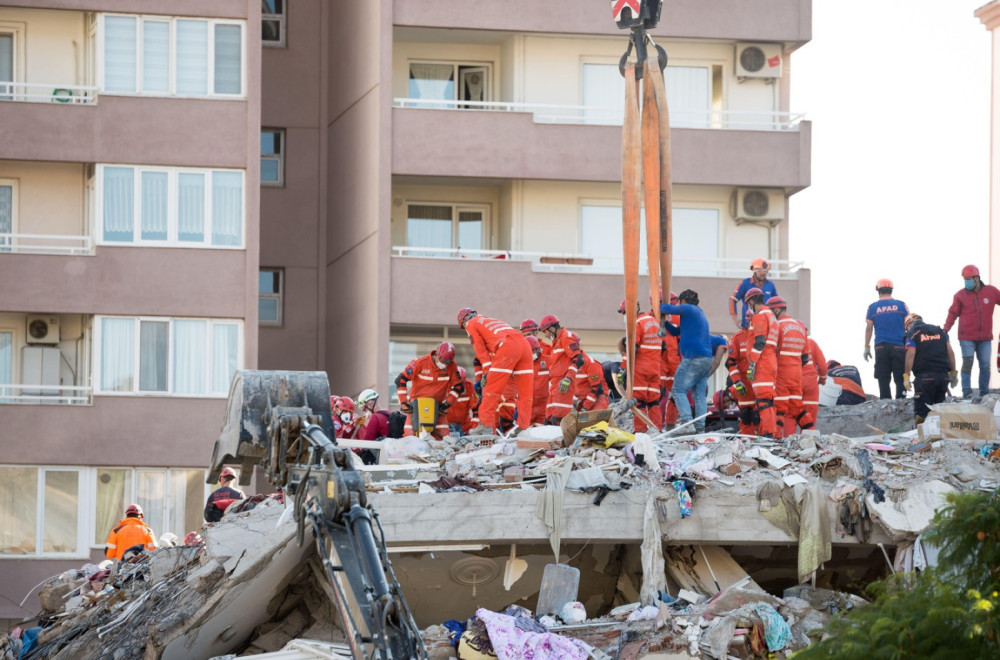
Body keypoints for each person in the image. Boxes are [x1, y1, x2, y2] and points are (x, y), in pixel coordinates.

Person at [459, 309, 534, 434]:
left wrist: (487, 371)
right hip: (524, 345)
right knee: (525, 392)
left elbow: (479, 348)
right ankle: (523, 427)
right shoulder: (490, 320)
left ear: (464, 321)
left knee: (491, 388)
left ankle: (486, 425)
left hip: (508, 345)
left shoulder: (470, 323)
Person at [942, 264, 1000, 398]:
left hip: (985, 338)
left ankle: (984, 392)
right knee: (967, 364)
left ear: (977, 278)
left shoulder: (991, 292)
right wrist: (946, 329)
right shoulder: (960, 296)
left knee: (985, 365)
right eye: (965, 279)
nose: (966, 282)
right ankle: (967, 392)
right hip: (966, 337)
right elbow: (952, 313)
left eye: (968, 279)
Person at [660, 290, 713, 432]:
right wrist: (664, 322)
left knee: (678, 390)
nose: (678, 304)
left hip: (693, 357)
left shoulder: (689, 308)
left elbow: (665, 308)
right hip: (706, 359)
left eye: (680, 302)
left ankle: (687, 423)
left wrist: (658, 305)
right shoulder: (698, 314)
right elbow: (676, 332)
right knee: (699, 395)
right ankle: (700, 426)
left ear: (684, 301)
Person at [394, 341, 462, 438]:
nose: (444, 364)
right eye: (442, 360)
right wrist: (404, 402)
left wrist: (447, 404)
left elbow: (458, 387)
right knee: (410, 437)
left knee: (444, 438)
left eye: (447, 362)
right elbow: (400, 380)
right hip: (416, 407)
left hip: (437, 407)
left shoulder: (452, 366)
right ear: (437, 354)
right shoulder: (419, 363)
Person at [769, 296, 815, 437]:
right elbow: (805, 358)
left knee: (779, 408)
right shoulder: (801, 327)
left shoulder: (777, 326)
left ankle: (776, 440)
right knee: (797, 407)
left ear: (777, 309)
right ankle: (811, 435)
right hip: (797, 374)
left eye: (770, 311)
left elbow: (771, 351)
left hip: (782, 372)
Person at [904, 313, 958, 423]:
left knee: (921, 414)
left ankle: (920, 433)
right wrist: (953, 372)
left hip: (924, 378)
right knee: (939, 412)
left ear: (909, 325)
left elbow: (910, 354)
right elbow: (950, 352)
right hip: (943, 377)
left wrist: (906, 375)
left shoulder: (912, 333)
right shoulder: (940, 332)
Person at [619, 299, 664, 432]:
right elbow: (663, 347)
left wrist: (623, 368)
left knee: (639, 401)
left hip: (641, 369)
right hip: (655, 369)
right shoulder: (654, 322)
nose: (624, 316)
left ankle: (641, 431)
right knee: (653, 402)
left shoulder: (637, 323)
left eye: (624, 313)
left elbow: (632, 349)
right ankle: (656, 431)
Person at [864, 278, 909, 399]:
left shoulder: (873, 307)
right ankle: (901, 400)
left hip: (881, 346)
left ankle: (885, 400)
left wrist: (867, 346)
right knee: (900, 376)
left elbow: (869, 327)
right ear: (891, 290)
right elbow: (909, 325)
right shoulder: (901, 305)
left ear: (878, 291)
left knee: (883, 377)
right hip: (899, 346)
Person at [744, 287, 779, 438]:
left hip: (762, 362)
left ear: (752, 301)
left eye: (748, 304)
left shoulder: (759, 316)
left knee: (763, 400)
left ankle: (768, 434)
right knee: (768, 400)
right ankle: (768, 433)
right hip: (770, 361)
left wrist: (752, 363)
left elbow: (759, 342)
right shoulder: (772, 316)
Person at [538, 314, 583, 424]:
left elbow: (578, 358)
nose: (545, 335)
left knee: (558, 419)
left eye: (545, 332)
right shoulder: (557, 342)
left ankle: (562, 436)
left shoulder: (566, 337)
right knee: (548, 419)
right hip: (555, 384)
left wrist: (568, 378)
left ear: (552, 329)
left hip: (563, 383)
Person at [726, 311, 758, 435]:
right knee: (746, 416)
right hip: (745, 385)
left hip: (761, 382)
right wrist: (737, 382)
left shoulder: (764, 336)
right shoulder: (738, 338)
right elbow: (730, 363)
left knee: (761, 416)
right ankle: (747, 443)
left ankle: (764, 443)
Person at [729, 258, 778, 330]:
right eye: (760, 270)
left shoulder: (771, 285)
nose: (763, 273)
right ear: (754, 270)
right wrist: (734, 317)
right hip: (748, 326)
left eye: (765, 271)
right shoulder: (745, 283)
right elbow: (733, 299)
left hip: (766, 325)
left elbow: (776, 303)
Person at [801, 333, 828, 427]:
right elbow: (823, 366)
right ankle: (808, 435)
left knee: (790, 415)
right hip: (810, 383)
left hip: (792, 381)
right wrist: (822, 379)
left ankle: (788, 435)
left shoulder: (785, 341)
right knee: (810, 417)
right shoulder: (811, 343)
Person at [446, 367, 479, 436]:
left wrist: (474, 428)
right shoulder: (442, 386)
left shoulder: (469, 386)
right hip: (445, 425)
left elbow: (476, 409)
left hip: (464, 425)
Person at [527, 336, 550, 424]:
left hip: (543, 404)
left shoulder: (548, 361)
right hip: (527, 404)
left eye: (533, 350)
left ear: (537, 349)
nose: (532, 353)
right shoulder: (521, 363)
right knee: (526, 429)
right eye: (529, 351)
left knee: (540, 429)